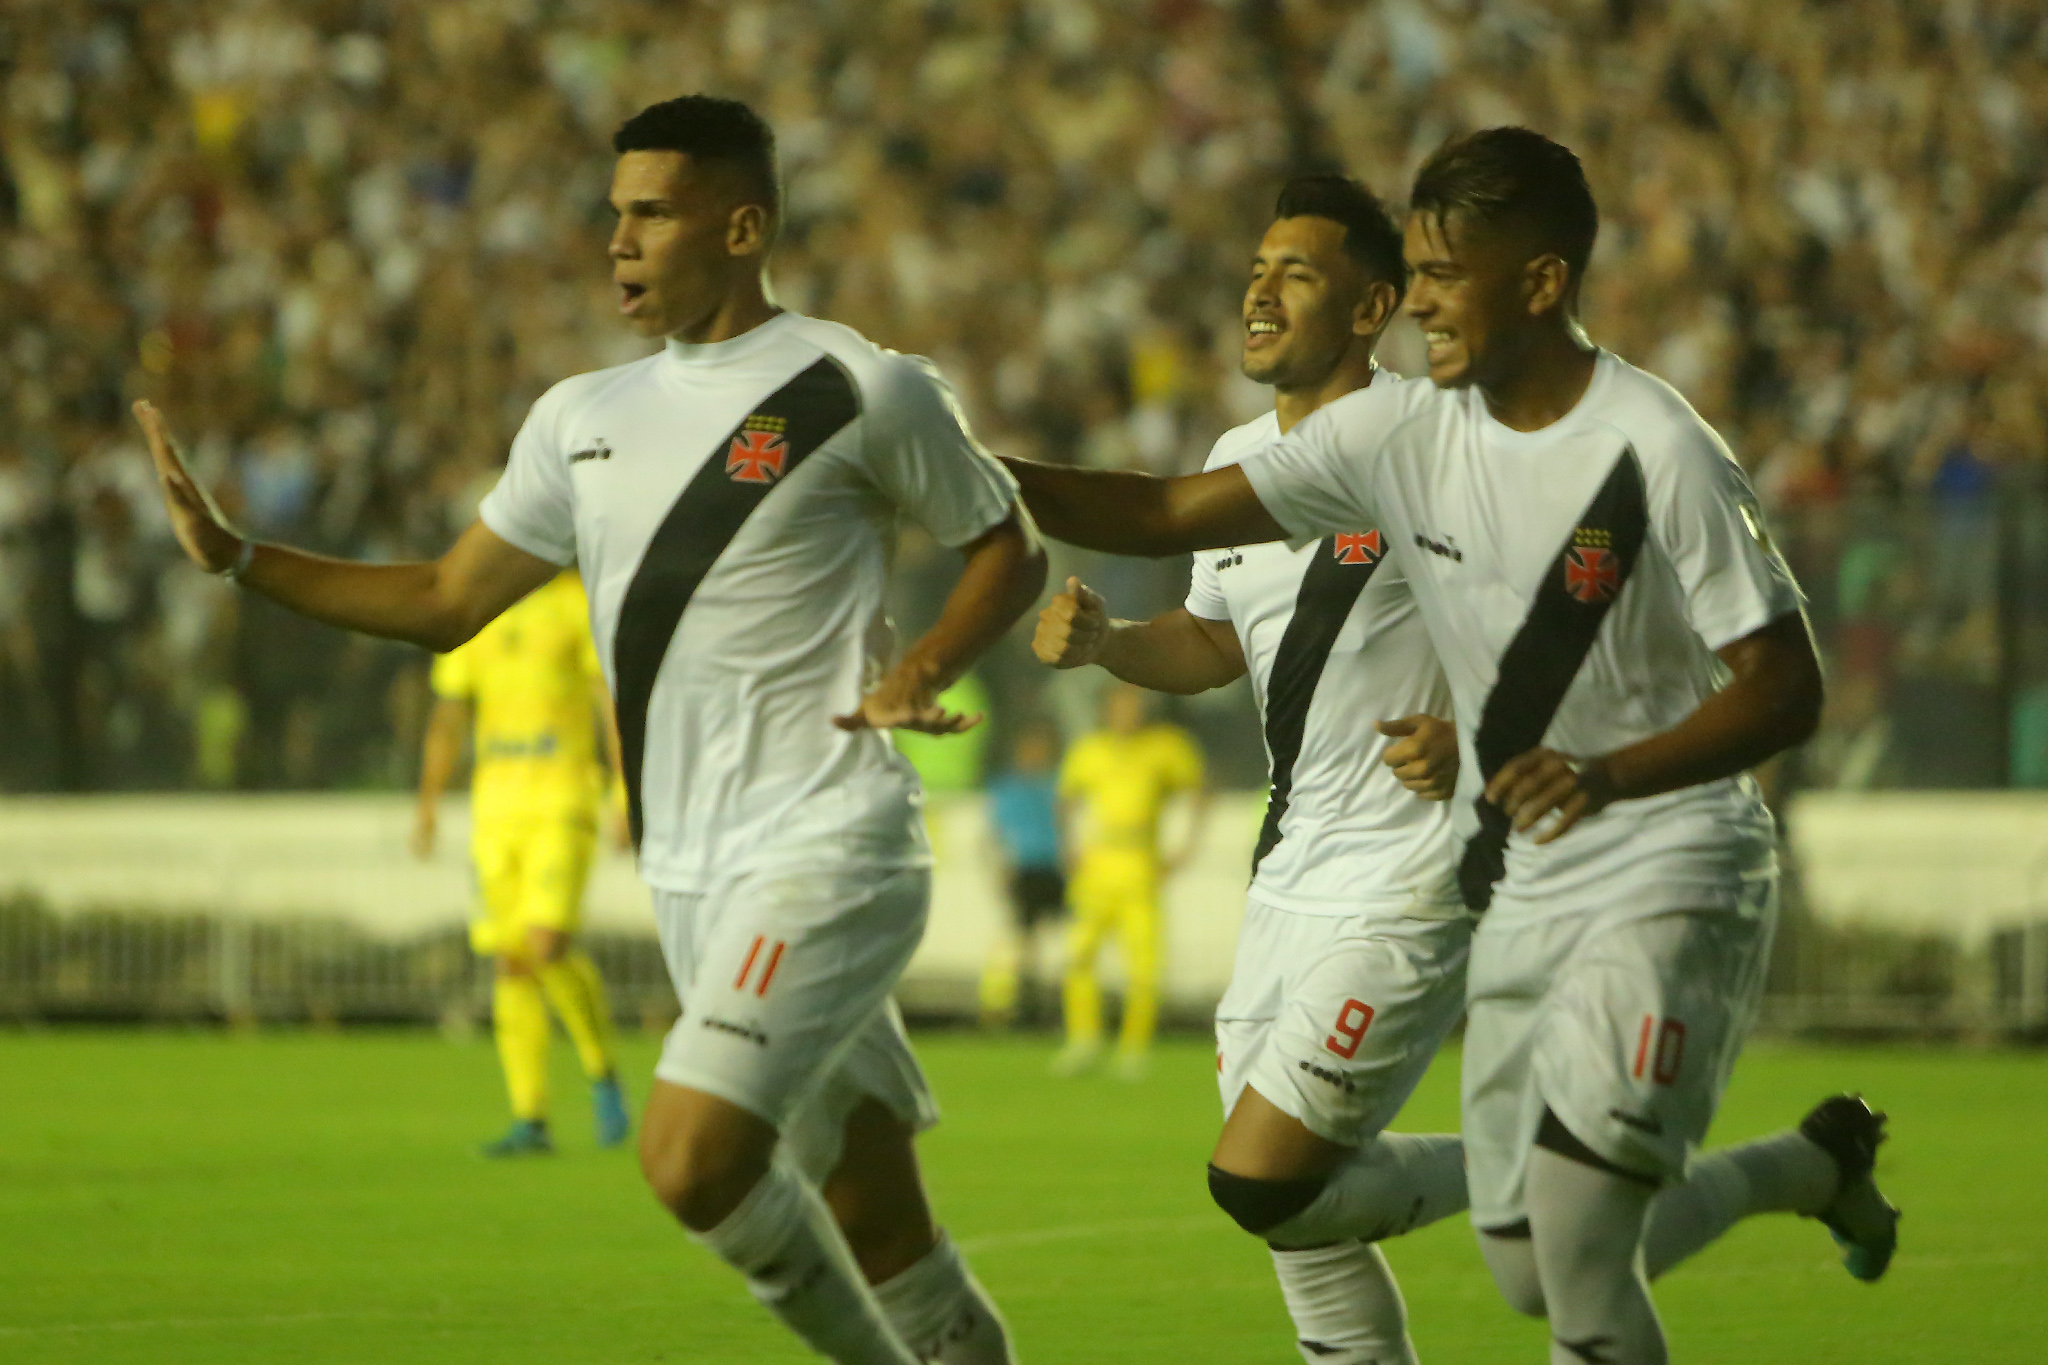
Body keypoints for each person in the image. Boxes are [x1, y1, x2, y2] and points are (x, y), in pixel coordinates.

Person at [134, 95, 1044, 1365]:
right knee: (887, 1235)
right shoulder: (579, 417)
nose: (617, 241)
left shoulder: (858, 387)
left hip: (827, 842)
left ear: (742, 229)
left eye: (651, 214)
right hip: (691, 874)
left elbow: (1006, 545)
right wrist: (240, 557)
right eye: (613, 214)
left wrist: (924, 665)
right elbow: (444, 601)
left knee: (689, 1160)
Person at [999, 127, 1896, 1364]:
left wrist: (1543, 757)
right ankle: (1793, 1166)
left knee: (1485, 1236)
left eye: (1437, 275)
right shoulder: (1364, 446)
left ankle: (1591, 1178)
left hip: (1587, 856)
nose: (1420, 301)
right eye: (1414, 272)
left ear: (1535, 282)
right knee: (1485, 1249)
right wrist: (953, 478)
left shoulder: (1622, 442)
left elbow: (1774, 685)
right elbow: (1168, 539)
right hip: (1377, 861)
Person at [1033, 175, 1471, 1365]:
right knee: (1300, 1226)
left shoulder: (1429, 441)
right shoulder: (1235, 458)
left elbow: (1556, 628)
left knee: (1262, 1177)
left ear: (1371, 307)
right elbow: (1214, 644)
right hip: (1287, 877)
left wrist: (1479, 739)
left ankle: (1553, 1161)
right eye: (1255, 270)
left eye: (1297, 273)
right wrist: (1112, 645)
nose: (1259, 292)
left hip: (1412, 869)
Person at [413, 567, 631, 1157]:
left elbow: (609, 702)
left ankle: (601, 1070)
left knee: (545, 944)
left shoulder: (575, 604)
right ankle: (530, 1117)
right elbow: (449, 715)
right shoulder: (474, 611)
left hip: (563, 799)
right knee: (511, 962)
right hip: (496, 812)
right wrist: (428, 804)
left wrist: (624, 793)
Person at [1050, 681, 1207, 1078]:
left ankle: (1134, 1047)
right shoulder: (1089, 749)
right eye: (1119, 705)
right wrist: (1068, 846)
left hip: (1140, 862)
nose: (1126, 713)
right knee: (1079, 954)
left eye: (1133, 705)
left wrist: (1186, 846)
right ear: (1106, 710)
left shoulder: (1165, 746)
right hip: (1097, 862)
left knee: (1143, 963)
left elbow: (1199, 790)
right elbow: (1065, 798)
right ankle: (1083, 1039)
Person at [977, 721, 1067, 1029]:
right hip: (1025, 869)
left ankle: (1055, 1003)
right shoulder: (1007, 789)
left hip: (1056, 869)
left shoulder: (1059, 784)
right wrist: (1000, 869)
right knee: (1021, 940)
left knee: (1063, 940)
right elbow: (994, 835)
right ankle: (1015, 1005)